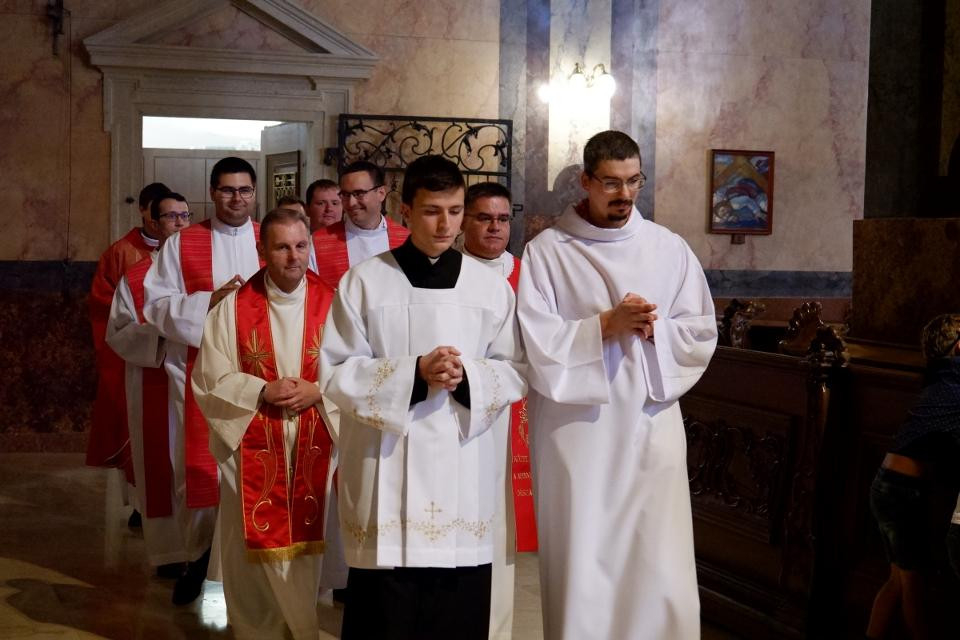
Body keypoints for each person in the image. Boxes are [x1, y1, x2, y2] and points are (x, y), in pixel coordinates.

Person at [517, 130, 717, 640]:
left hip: (650, 422)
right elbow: (534, 342)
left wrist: (656, 330)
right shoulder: (548, 252)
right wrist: (605, 325)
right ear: (585, 181)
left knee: (657, 553)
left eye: (634, 181)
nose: (625, 194)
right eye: (611, 183)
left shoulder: (668, 248)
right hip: (577, 429)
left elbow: (699, 331)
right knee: (585, 550)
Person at [320, 155, 527, 640]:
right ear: (405, 210)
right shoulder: (365, 282)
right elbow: (336, 371)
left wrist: (466, 375)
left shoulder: (490, 288)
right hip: (387, 473)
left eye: (455, 211)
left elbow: (515, 369)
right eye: (432, 211)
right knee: (385, 617)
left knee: (456, 615)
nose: (445, 225)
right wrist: (413, 374)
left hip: (463, 473)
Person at [192, 208, 336, 640]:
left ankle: (303, 626)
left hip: (317, 436)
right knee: (248, 545)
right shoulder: (232, 309)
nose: (294, 257)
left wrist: (319, 391)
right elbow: (209, 378)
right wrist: (259, 390)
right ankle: (257, 630)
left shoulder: (336, 305)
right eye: (282, 247)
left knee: (311, 540)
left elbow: (359, 372)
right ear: (261, 250)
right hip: (252, 441)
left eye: (301, 245)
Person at [143, 157, 264, 604]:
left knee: (254, 470)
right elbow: (156, 305)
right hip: (200, 374)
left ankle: (252, 564)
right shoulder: (183, 243)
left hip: (260, 373)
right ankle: (198, 559)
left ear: (255, 193)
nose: (237, 198)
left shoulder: (270, 238)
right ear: (212, 193)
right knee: (197, 470)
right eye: (227, 190)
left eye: (245, 190)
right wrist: (208, 302)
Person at [460, 181, 537, 640]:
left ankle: (497, 630)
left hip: (514, 415)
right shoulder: (448, 274)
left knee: (501, 529)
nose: (495, 228)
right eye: (484, 218)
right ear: (464, 220)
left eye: (503, 219)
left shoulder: (528, 275)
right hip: (458, 414)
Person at [105, 193, 192, 579]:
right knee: (161, 460)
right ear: (154, 224)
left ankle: (205, 549)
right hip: (154, 376)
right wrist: (162, 336)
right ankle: (171, 551)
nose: (180, 223)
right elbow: (118, 331)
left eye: (185, 215)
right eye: (171, 217)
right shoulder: (137, 275)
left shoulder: (201, 270)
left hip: (200, 381)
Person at [867, 313, 960, 640]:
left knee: (898, 581)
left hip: (885, 485)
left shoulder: (939, 378)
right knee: (913, 589)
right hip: (903, 494)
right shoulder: (955, 381)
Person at [87, 181, 170, 521]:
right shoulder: (121, 252)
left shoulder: (187, 253)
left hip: (175, 357)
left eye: (179, 216)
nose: (167, 223)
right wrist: (144, 329)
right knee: (135, 430)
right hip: (138, 351)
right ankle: (139, 503)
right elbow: (104, 307)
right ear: (144, 212)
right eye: (160, 215)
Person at [310, 161, 408, 289]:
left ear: (381, 193)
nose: (351, 203)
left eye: (359, 194)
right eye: (345, 195)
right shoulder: (318, 243)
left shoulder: (406, 241)